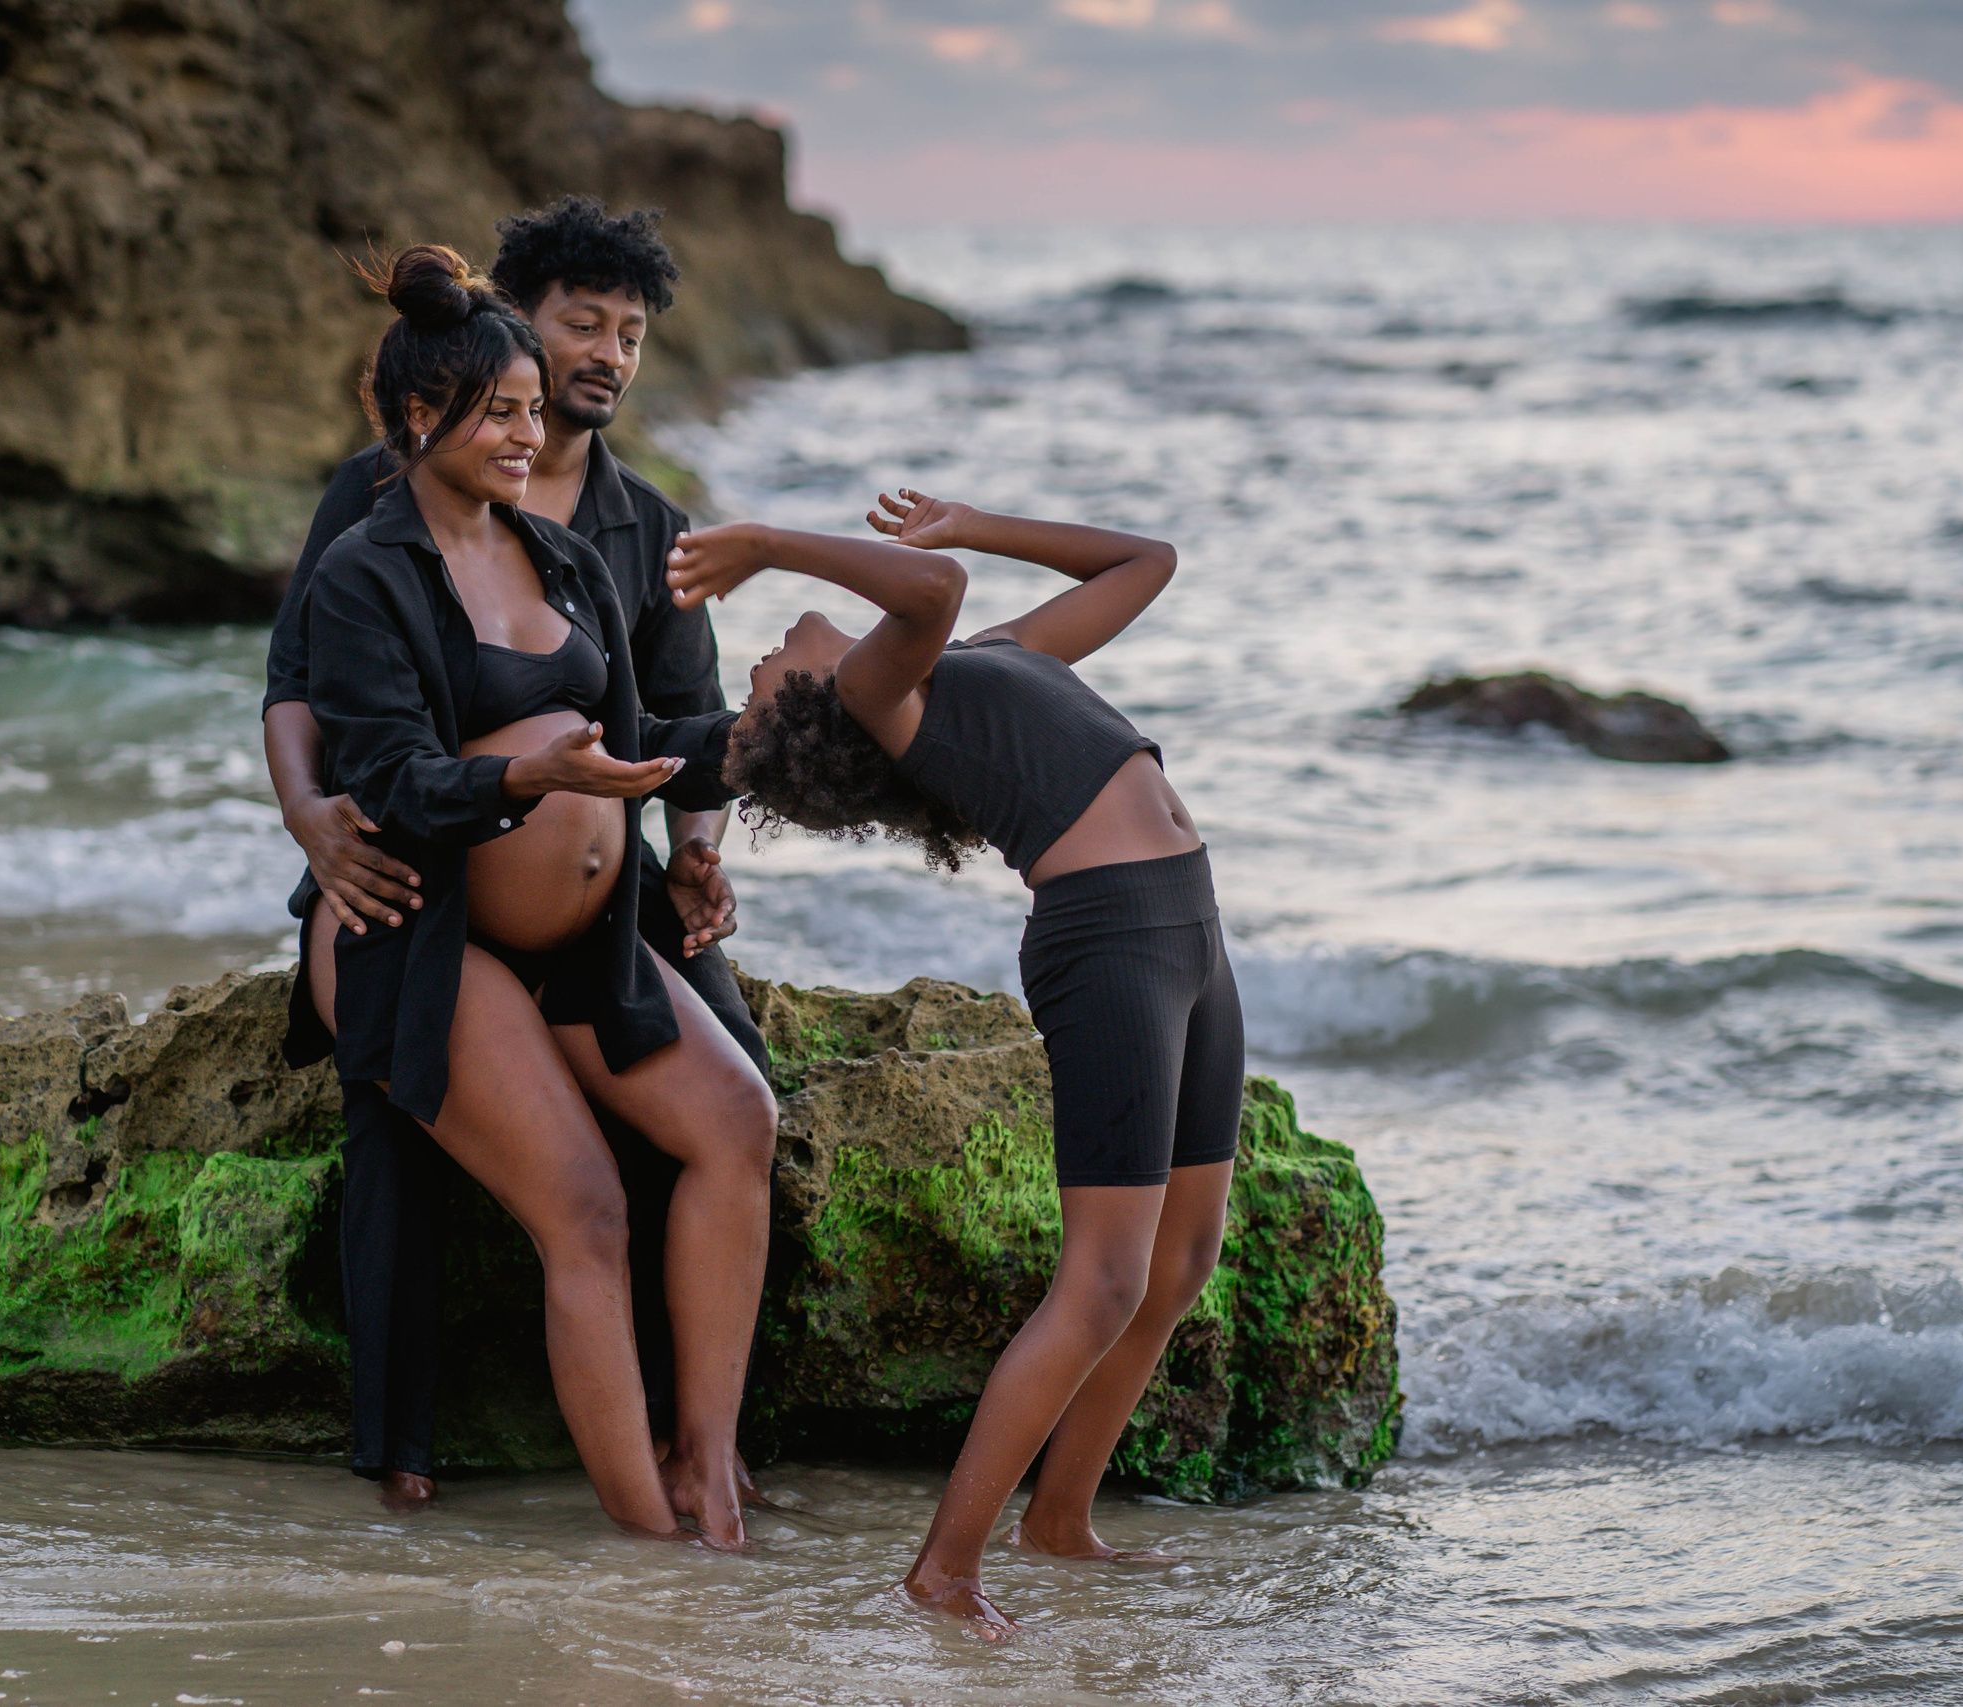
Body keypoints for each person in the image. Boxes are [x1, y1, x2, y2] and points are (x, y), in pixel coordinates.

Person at [262, 198, 768, 1514]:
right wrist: (313, 816)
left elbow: (652, 728)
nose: (537, 422)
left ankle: (712, 1453)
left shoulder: (599, 539)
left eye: (626, 336)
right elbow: (333, 718)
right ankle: (413, 1449)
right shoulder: (373, 541)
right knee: (463, 1152)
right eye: (522, 389)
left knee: (740, 1105)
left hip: (592, 927)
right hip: (420, 904)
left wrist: (773, 750)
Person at [666, 490, 1238, 1629]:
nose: (768, 652)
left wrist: (972, 521)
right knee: (1107, 1278)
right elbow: (926, 596)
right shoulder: (887, 696)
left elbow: (1144, 559)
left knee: (1179, 1266)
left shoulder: (985, 664)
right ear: (816, 711)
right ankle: (944, 1570)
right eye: (758, 681)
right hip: (1109, 937)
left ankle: (1060, 1520)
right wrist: (772, 545)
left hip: (1187, 923)